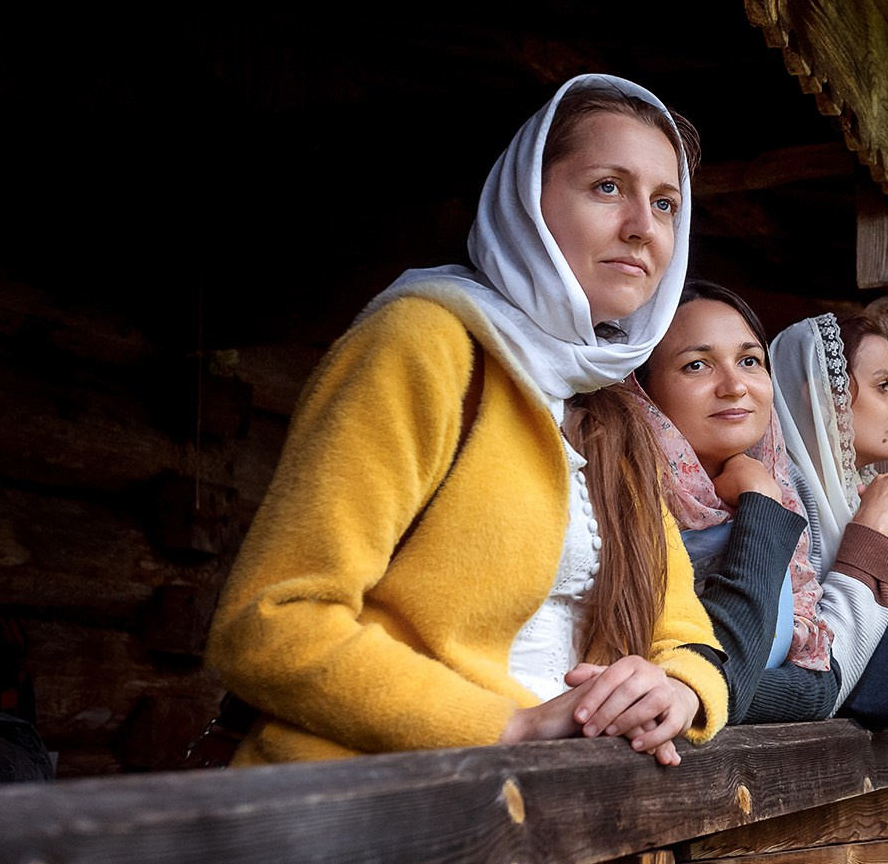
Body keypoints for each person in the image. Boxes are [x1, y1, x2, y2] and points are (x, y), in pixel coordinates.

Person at [205, 74, 727, 768]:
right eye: (608, 187)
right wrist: (512, 725)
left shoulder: (613, 414)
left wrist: (678, 688)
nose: (643, 226)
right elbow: (271, 621)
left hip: (543, 811)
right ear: (528, 200)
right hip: (371, 805)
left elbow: (683, 630)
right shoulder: (424, 345)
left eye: (665, 203)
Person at [631, 283, 888, 722]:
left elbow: (868, 689)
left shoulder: (776, 491)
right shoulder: (628, 505)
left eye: (749, 361)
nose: (735, 386)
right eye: (696, 365)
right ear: (642, 390)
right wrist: (762, 504)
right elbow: (730, 682)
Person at [770, 311, 888, 715]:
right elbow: (819, 678)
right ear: (825, 396)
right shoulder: (779, 496)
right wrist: (872, 532)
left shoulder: (855, 498)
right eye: (884, 386)